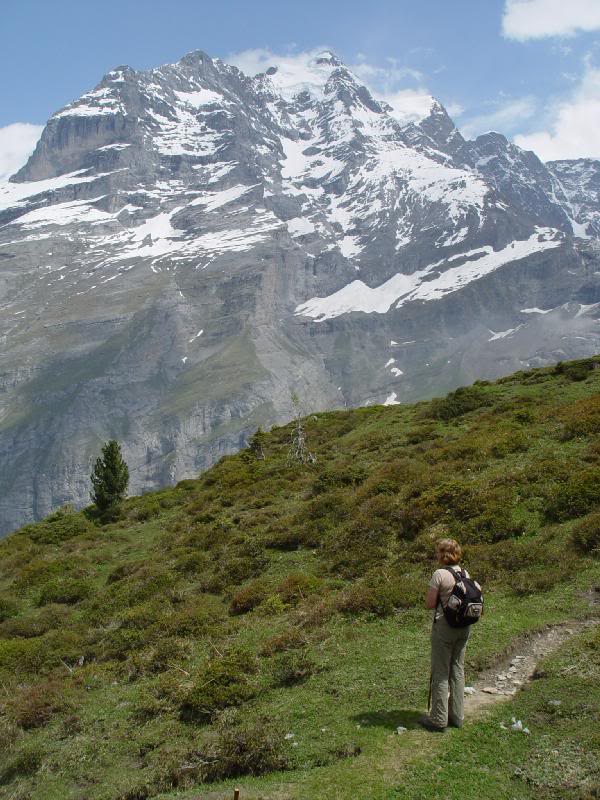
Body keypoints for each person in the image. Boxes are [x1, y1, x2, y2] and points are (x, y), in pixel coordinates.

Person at [420, 538, 471, 732]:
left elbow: (430, 604)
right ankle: (457, 717)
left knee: (441, 672)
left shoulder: (439, 574)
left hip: (444, 627)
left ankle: (438, 719)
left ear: (443, 554)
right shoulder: (465, 572)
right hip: (464, 627)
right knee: (458, 670)